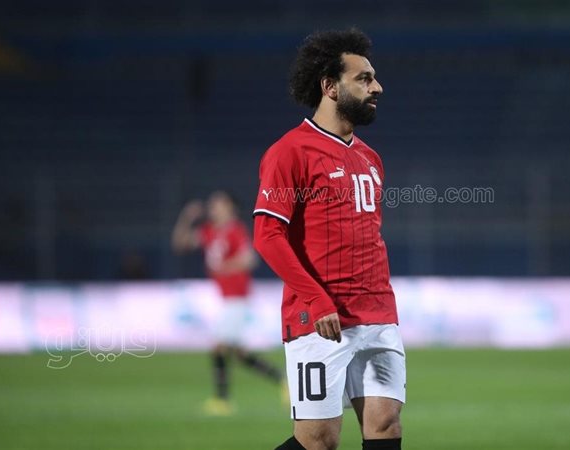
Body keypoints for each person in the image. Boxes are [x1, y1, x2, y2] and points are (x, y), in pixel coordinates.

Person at [252, 29, 404, 450]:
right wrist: (317, 300)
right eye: (364, 78)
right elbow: (267, 236)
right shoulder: (290, 152)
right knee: (318, 440)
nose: (377, 87)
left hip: (378, 314)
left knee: (386, 425)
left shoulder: (370, 158)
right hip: (319, 319)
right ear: (330, 87)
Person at [172, 190, 284, 416]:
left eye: (218, 204)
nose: (213, 208)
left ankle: (222, 401)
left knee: (219, 346)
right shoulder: (209, 231)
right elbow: (180, 244)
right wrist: (186, 217)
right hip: (226, 299)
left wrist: (225, 267)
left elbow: (249, 259)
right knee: (238, 352)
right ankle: (282, 380)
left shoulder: (235, 230)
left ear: (230, 208)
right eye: (212, 204)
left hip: (237, 298)